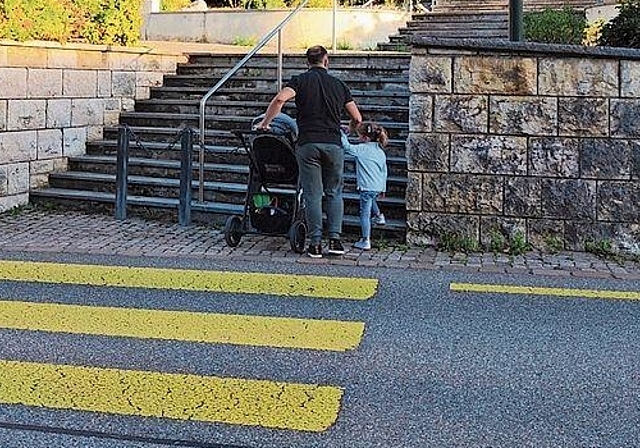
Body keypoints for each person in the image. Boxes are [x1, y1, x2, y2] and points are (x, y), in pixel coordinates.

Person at [256, 45, 362, 258]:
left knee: (313, 194)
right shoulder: (339, 85)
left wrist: (266, 123)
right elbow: (357, 118)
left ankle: (315, 243)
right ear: (326, 60)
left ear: (307, 62)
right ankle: (335, 240)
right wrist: (348, 130)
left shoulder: (300, 80)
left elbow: (279, 99)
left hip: (307, 143)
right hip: (333, 144)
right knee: (334, 192)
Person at [341, 122, 388, 251]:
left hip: (366, 186)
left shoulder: (362, 149)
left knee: (364, 213)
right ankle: (379, 216)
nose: (358, 138)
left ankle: (366, 239)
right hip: (377, 185)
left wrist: (342, 134)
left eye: (359, 136)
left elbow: (346, 147)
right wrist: (383, 188)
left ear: (365, 138)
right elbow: (384, 171)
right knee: (371, 199)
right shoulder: (380, 151)